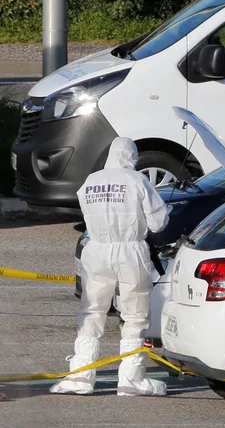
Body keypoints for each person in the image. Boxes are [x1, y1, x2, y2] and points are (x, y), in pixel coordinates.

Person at [50, 137, 171, 396]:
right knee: (135, 314)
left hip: (96, 250)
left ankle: (81, 376)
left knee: (91, 310)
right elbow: (158, 223)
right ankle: (131, 379)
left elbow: (84, 213)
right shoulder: (138, 181)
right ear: (133, 158)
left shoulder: (90, 181)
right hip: (130, 251)